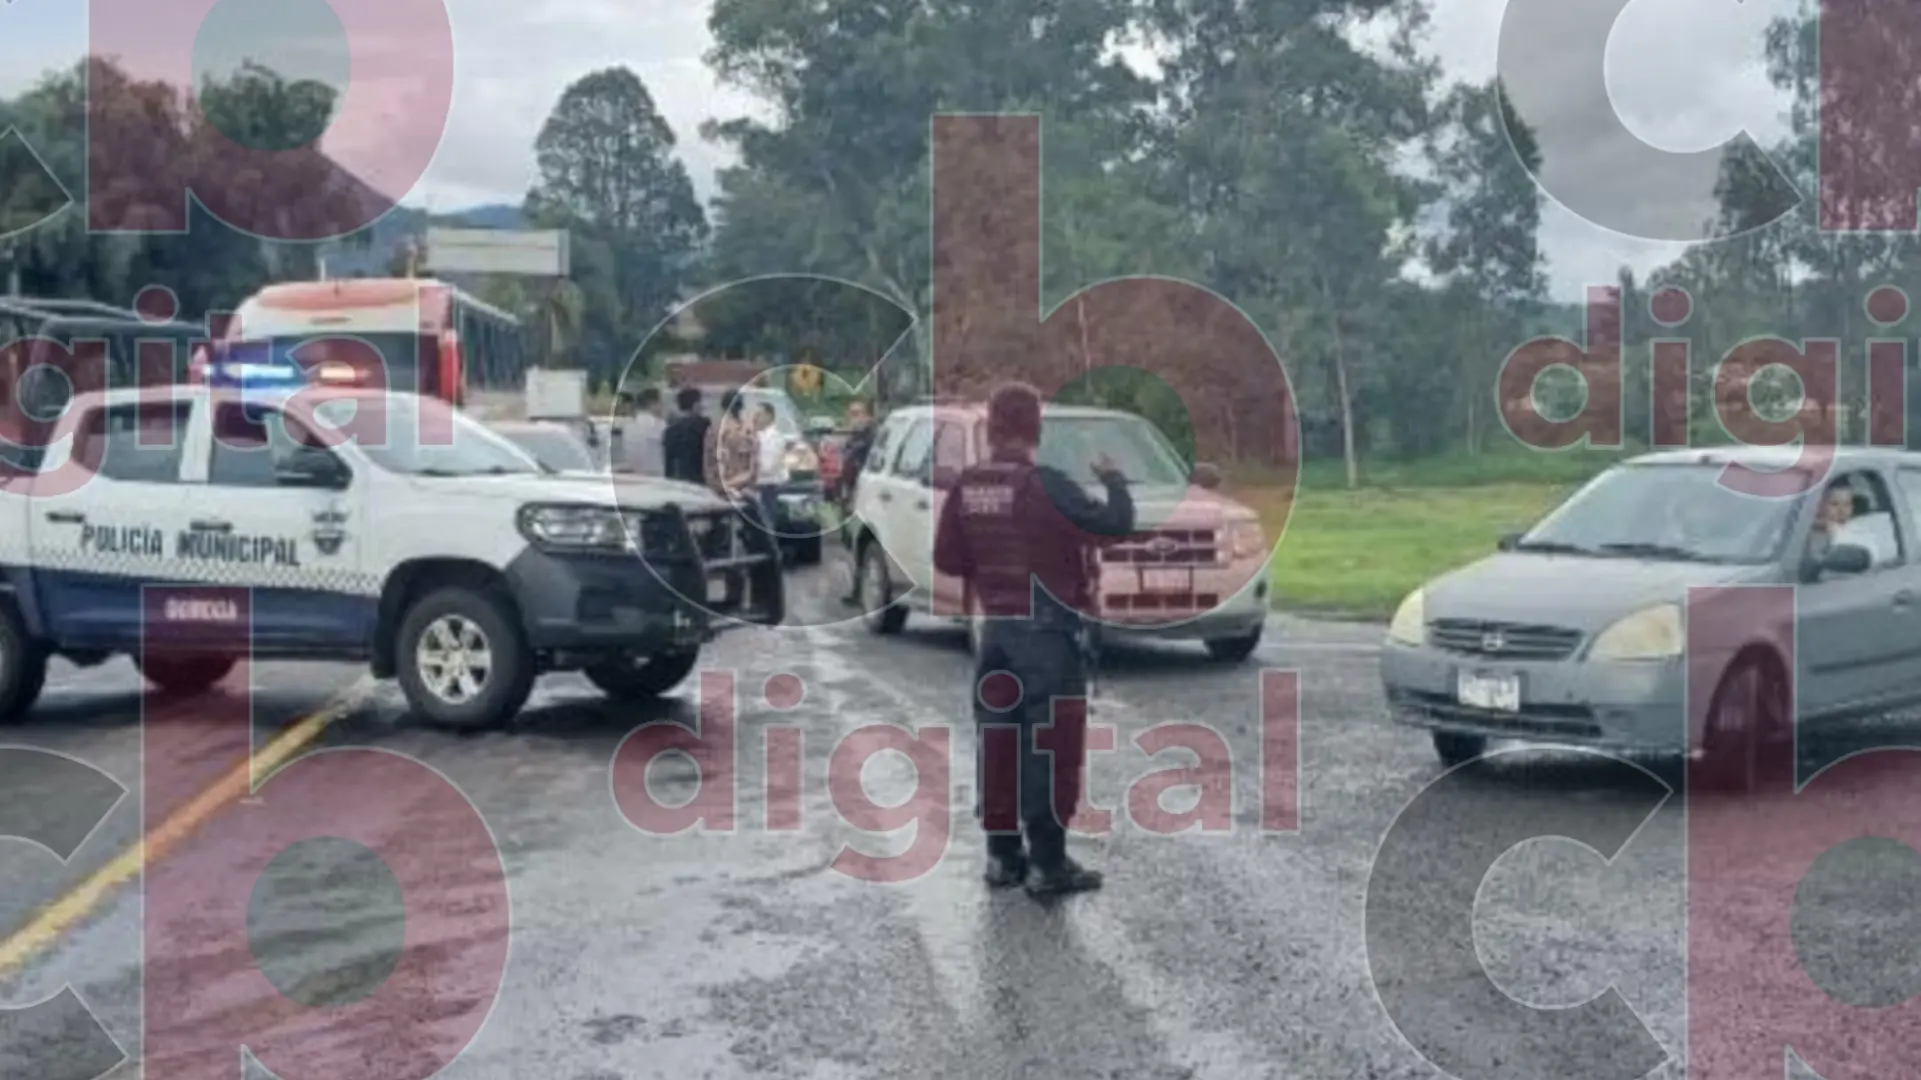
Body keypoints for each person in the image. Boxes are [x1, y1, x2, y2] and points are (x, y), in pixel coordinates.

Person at [932, 382, 1133, 898]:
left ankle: (1002, 858)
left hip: (994, 635)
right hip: (1048, 638)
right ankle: (1048, 864)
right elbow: (1114, 525)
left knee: (998, 742)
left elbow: (947, 560)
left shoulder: (968, 485)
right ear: (1035, 428)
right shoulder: (1049, 485)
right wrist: (1113, 479)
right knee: (1050, 748)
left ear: (993, 428)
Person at [752, 401, 790, 540]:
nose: (755, 418)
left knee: (766, 522)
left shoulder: (774, 438)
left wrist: (750, 466)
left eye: (759, 415)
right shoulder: (759, 435)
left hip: (767, 486)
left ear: (769, 416)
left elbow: (768, 465)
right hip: (758, 486)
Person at [663, 387, 710, 484]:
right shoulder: (704, 425)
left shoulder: (670, 430)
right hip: (700, 479)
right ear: (696, 405)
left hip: (680, 480)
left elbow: (668, 461)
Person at [622, 387, 666, 476]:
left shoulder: (628, 426)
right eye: (661, 403)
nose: (663, 406)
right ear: (653, 404)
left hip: (634, 476)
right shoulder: (659, 426)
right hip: (657, 477)